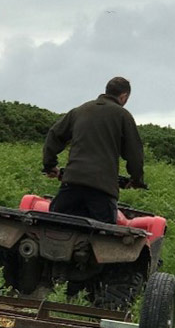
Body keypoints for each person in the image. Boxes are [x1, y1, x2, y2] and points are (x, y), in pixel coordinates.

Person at [42, 76, 145, 224]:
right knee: (104, 239)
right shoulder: (123, 116)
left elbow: (54, 135)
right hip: (102, 191)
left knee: (55, 229)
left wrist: (50, 165)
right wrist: (136, 180)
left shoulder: (80, 110)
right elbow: (135, 155)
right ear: (124, 96)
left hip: (71, 185)